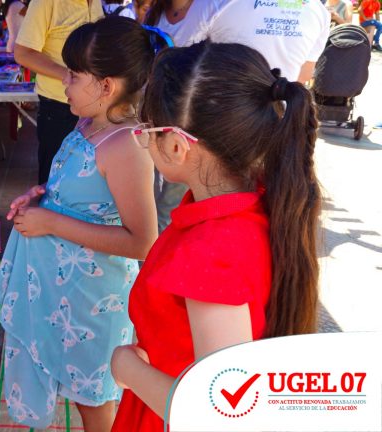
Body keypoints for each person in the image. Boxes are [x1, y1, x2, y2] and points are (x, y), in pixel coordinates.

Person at [110, 41, 321, 431]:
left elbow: (219, 413)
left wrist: (127, 369)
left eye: (147, 131)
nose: (143, 140)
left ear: (176, 145)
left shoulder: (210, 252)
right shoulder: (255, 204)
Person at [0, 17, 160, 431]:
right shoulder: (87, 123)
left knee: (92, 398)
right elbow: (79, 194)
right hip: (62, 291)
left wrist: (51, 222)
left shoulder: (126, 145)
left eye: (73, 74)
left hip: (94, 300)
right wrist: (41, 196)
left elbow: (142, 241)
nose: (64, 82)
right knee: (67, 376)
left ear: (106, 86)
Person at [144, 0, 228, 233]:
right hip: (154, 115)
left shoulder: (213, 9)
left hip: (188, 122)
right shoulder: (155, 12)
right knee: (149, 194)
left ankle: (161, 245)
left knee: (172, 201)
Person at [14, 0, 104, 185]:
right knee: (54, 179)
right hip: (59, 107)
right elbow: (23, 53)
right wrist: (70, 75)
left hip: (94, 107)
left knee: (85, 177)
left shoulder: (95, 2)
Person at [205, 0, 331, 83]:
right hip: (279, 107)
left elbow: (191, 49)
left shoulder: (214, 3)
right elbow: (304, 75)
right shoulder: (319, 11)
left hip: (219, 103)